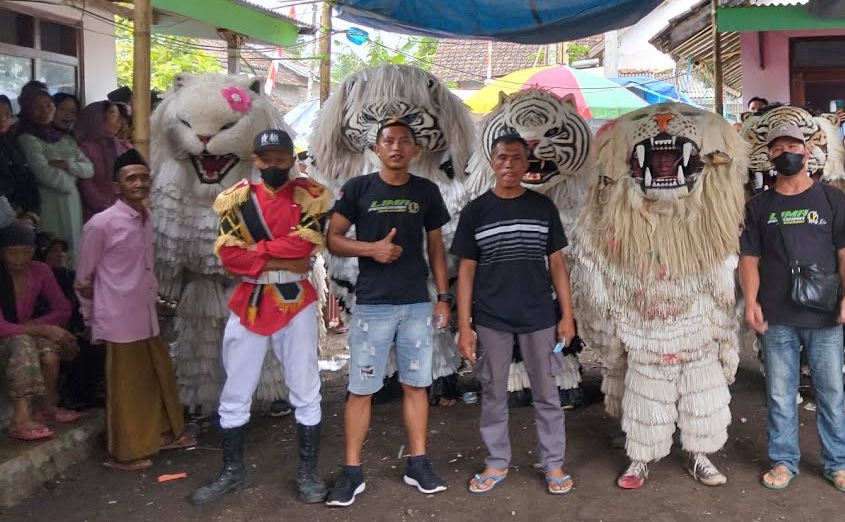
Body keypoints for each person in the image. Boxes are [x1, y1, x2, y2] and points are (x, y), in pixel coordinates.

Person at [190, 129, 332, 506]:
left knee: (305, 388)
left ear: (291, 159)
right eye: (265, 159)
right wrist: (280, 257)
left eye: (280, 159)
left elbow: (305, 248)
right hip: (250, 298)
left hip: (294, 299)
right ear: (256, 159)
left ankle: (308, 472)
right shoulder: (235, 199)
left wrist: (258, 252)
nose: (273, 165)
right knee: (235, 389)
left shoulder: (311, 196)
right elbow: (229, 257)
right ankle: (232, 472)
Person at [325, 119, 452, 507]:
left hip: (415, 303)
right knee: (361, 389)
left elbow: (435, 249)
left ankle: (417, 462)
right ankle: (351, 471)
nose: (396, 147)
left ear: (415, 151)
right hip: (372, 306)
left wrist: (443, 296)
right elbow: (332, 238)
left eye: (404, 142)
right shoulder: (358, 189)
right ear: (376, 149)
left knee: (417, 385)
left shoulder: (426, 191)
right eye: (388, 141)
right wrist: (372, 249)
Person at [740, 123, 845, 493]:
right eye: (778, 148)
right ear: (770, 156)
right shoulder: (758, 206)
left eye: (793, 145)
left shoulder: (832, 199)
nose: (785, 152)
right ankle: (783, 460)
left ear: (808, 151)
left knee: (831, 392)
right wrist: (750, 302)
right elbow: (749, 258)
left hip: (824, 315)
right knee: (779, 392)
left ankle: (838, 464)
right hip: (776, 316)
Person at [454, 133, 576, 495]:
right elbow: (466, 272)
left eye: (516, 159)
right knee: (493, 392)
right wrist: (465, 325)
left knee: (547, 393)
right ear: (493, 163)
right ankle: (496, 462)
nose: (509, 165)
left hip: (540, 315)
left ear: (527, 165)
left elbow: (557, 264)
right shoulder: (476, 211)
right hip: (492, 318)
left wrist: (567, 316)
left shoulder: (543, 208)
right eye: (502, 158)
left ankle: (553, 464)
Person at [76, 149, 193, 470]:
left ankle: (165, 434)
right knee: (126, 389)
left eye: (144, 177)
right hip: (117, 318)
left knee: (157, 376)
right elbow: (84, 279)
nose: (139, 183)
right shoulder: (101, 224)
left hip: (145, 314)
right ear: (117, 187)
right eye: (131, 178)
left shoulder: (146, 217)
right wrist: (89, 318)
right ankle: (124, 454)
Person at [0, 223, 79, 442]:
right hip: (8, 337)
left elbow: (63, 308)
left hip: (22, 330)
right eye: (12, 252)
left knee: (49, 353)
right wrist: (42, 328)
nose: (19, 258)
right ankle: (20, 419)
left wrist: (38, 326)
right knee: (23, 345)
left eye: (26, 252)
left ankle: (46, 406)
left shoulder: (40, 270)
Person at [17, 90, 92, 256]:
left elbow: (89, 169)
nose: (45, 111)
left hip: (71, 202)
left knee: (73, 248)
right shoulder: (27, 138)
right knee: (52, 246)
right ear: (28, 109)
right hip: (47, 201)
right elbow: (43, 172)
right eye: (38, 107)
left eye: (48, 106)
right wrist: (71, 181)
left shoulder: (66, 138)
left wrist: (67, 165)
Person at [38, 235, 103, 410]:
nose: (60, 255)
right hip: (43, 329)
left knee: (92, 344)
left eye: (63, 251)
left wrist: (81, 328)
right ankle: (70, 396)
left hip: (69, 328)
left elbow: (75, 307)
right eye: (54, 251)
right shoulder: (36, 277)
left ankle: (89, 393)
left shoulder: (69, 276)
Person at [75, 102, 132, 222]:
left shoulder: (125, 146)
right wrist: (105, 207)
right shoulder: (84, 148)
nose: (119, 121)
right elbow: (86, 184)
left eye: (118, 115)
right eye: (112, 114)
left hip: (124, 211)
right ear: (98, 117)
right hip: (95, 215)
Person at [0, 95, 40, 222]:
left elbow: (27, 179)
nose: (2, 119)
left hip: (21, 215)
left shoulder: (12, 144)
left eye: (7, 114)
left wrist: (31, 214)